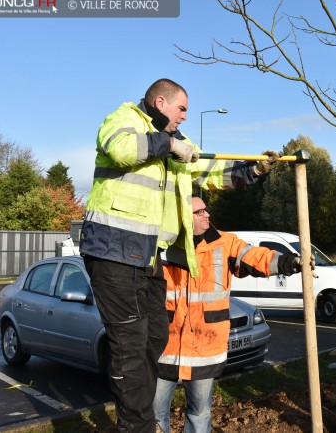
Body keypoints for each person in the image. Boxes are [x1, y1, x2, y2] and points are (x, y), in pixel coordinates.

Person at [79, 78, 280, 433]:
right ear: (160, 102)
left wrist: (255, 170)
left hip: (147, 255)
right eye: (182, 109)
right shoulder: (124, 119)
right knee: (128, 346)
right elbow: (120, 149)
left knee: (156, 336)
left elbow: (211, 171)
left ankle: (141, 418)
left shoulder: (178, 144)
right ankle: (138, 426)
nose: (185, 117)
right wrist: (169, 144)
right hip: (112, 250)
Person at [153, 197, 310, 433]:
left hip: (204, 350)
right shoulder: (162, 247)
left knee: (200, 413)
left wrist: (290, 262)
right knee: (153, 414)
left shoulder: (224, 243)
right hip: (165, 347)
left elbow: (256, 257)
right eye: (199, 212)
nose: (207, 215)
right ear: (183, 218)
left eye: (207, 210)